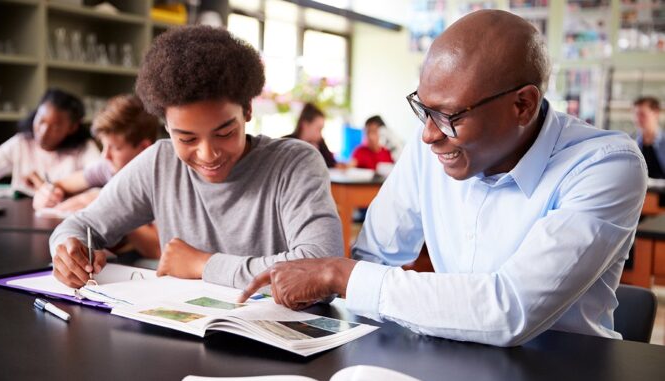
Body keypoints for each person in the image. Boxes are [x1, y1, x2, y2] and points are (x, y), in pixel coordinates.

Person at [239, 10, 647, 347]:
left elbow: (510, 310)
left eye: (450, 116)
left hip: (559, 368)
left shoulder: (605, 164)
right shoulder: (430, 150)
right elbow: (375, 258)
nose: (428, 134)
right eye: (424, 108)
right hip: (445, 357)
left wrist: (340, 275)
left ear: (522, 105)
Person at [49, 25, 342, 289]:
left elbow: (323, 268)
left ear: (247, 111)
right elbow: (78, 226)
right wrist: (68, 251)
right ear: (166, 127)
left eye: (225, 133)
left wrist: (203, 264)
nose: (208, 154)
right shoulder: (158, 164)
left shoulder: (296, 163)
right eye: (186, 138)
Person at [34, 94, 161, 259]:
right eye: (103, 145)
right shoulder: (109, 167)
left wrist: (110, 208)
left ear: (144, 148)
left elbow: (157, 249)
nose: (104, 155)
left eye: (115, 147)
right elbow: (61, 185)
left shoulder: (160, 178)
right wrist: (46, 193)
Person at [0, 88, 100, 194]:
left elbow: (100, 179)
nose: (44, 132)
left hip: (66, 213)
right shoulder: (22, 142)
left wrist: (45, 187)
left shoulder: (85, 148)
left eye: (55, 126)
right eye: (41, 121)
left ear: (72, 127)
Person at [285, 103, 337, 168]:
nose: (320, 135)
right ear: (305, 125)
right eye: (319, 129)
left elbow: (332, 164)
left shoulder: (320, 143)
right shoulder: (286, 144)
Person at [633, 96, 664, 179]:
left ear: (656, 113)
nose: (637, 119)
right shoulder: (630, 142)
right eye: (636, 114)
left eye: (642, 114)